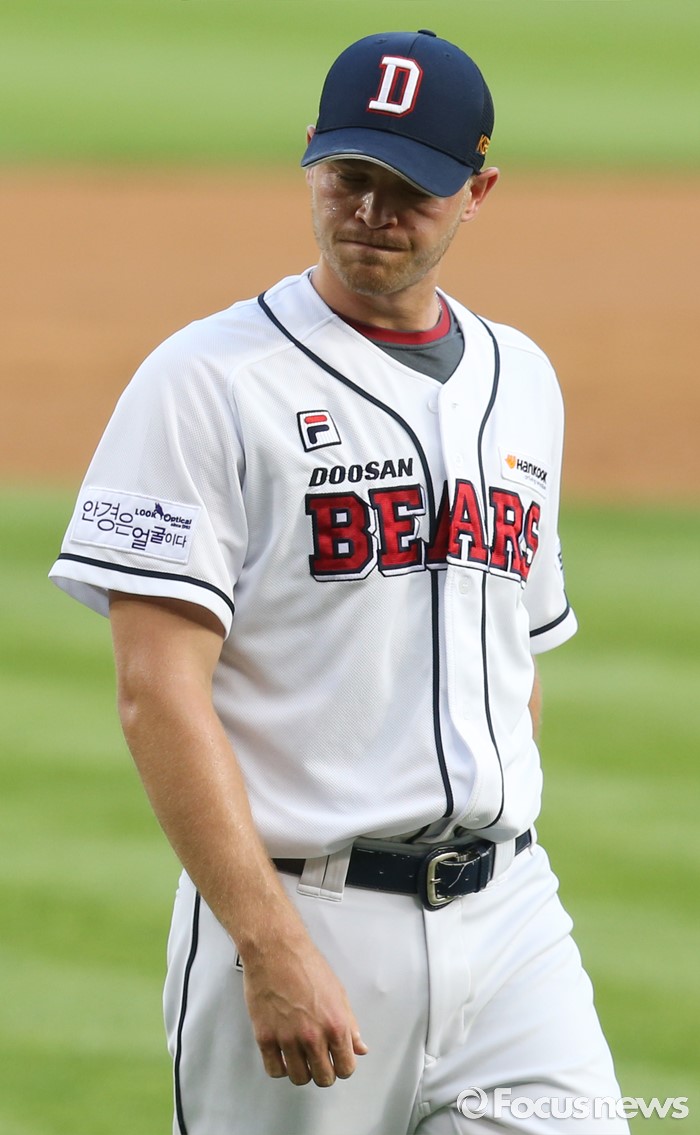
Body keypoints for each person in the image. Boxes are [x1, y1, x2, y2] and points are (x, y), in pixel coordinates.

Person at [50, 29, 629, 1135]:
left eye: (408, 189)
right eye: (349, 176)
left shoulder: (523, 380)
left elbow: (512, 659)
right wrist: (267, 940)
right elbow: (157, 688)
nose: (370, 211)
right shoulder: (208, 381)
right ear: (310, 157)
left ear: (477, 193)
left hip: (511, 921)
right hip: (302, 913)